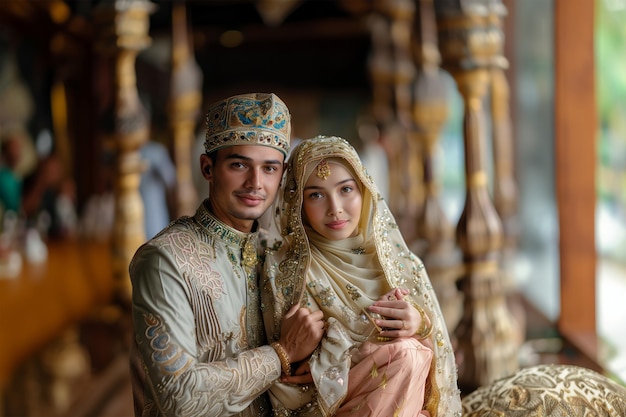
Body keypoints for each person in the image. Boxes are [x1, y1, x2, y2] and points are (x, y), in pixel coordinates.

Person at [129, 93, 325, 417]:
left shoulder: (279, 254)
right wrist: (281, 355)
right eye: (239, 165)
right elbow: (181, 399)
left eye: (269, 169)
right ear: (208, 168)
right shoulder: (165, 261)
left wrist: (413, 319)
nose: (255, 183)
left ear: (283, 175)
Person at [261, 136, 462, 416]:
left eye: (346, 189)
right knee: (406, 355)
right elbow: (296, 374)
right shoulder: (286, 268)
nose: (335, 208)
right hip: (331, 407)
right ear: (297, 203)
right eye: (316, 195)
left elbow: (438, 354)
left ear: (365, 191)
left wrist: (419, 323)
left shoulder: (398, 261)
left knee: (411, 353)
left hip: (402, 402)